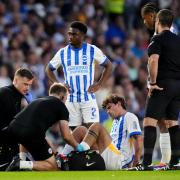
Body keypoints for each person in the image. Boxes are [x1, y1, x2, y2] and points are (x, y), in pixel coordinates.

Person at [46, 21, 112, 129]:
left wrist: (99, 84)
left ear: (82, 36)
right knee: (73, 133)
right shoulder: (63, 52)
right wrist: (58, 84)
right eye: (69, 34)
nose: (70, 37)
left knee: (93, 130)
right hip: (70, 99)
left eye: (74, 34)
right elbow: (48, 69)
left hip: (88, 96)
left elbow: (109, 65)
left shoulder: (92, 50)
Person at [4, 83, 84, 171]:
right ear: (62, 96)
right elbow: (66, 136)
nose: (66, 101)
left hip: (13, 127)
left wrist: (54, 151)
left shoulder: (37, 101)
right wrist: (78, 147)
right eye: (66, 98)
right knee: (52, 166)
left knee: (24, 136)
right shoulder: (61, 106)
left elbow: (26, 127)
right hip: (30, 132)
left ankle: (20, 159)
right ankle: (21, 164)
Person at [140, 9, 180, 170]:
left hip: (162, 84)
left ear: (157, 21)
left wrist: (152, 82)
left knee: (149, 121)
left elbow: (154, 60)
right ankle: (175, 162)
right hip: (178, 86)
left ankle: (146, 163)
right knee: (172, 122)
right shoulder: (178, 40)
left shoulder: (157, 39)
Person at [62, 94, 143, 170]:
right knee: (81, 130)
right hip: (111, 157)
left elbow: (139, 139)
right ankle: (63, 157)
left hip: (119, 160)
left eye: (109, 107)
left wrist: (136, 162)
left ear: (119, 104)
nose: (107, 111)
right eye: (106, 109)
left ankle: (81, 151)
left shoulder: (130, 116)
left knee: (97, 126)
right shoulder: (115, 121)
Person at [0, 68, 34, 170]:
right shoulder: (5, 93)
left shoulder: (17, 96)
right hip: (4, 146)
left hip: (10, 144)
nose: (27, 88)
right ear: (15, 81)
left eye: (29, 85)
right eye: (25, 84)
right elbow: (14, 123)